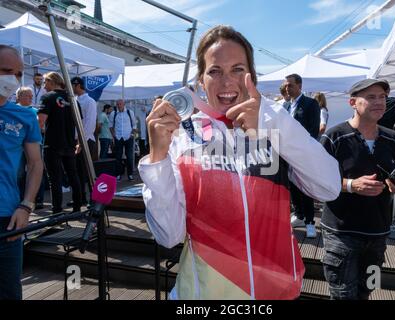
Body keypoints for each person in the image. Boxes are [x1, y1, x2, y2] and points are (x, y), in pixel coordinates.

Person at [138, 25, 341, 300]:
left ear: (252, 77)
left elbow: (329, 186)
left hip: (276, 292)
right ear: (200, 80)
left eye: (237, 69)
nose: (226, 82)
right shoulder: (182, 135)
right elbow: (169, 235)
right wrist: (157, 158)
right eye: (214, 71)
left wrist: (273, 125)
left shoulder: (275, 120)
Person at [320, 79, 395, 300]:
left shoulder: (394, 139)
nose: (379, 102)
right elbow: (318, 181)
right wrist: (351, 185)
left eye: (382, 97)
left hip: (379, 234)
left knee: (368, 289)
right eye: (371, 97)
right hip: (342, 233)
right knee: (342, 295)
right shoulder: (334, 137)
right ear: (352, 102)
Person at [0, 45, 43, 300]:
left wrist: (26, 205)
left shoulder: (25, 116)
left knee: (8, 290)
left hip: (8, 218)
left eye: (18, 74)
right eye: (6, 71)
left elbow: (36, 163)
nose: (12, 79)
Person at [37, 72, 82, 214]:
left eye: (45, 82)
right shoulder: (73, 100)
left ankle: (57, 210)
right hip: (69, 143)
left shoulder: (48, 97)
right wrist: (79, 142)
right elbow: (80, 124)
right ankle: (77, 207)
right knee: (73, 175)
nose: (44, 86)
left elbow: (40, 122)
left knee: (55, 179)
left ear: (51, 81)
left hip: (53, 144)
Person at [284, 74, 321, 238]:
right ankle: (299, 216)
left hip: (303, 153)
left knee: (305, 188)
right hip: (287, 153)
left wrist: (303, 149)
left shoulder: (311, 104)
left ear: (299, 86)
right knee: (292, 187)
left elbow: (313, 130)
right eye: (286, 85)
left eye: (290, 85)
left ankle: (310, 222)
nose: (287, 88)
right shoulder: (285, 105)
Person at [71, 76, 97, 205]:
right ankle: (80, 198)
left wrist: (81, 142)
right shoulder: (73, 100)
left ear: (77, 85)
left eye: (72, 86)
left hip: (86, 141)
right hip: (75, 140)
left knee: (88, 172)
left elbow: (90, 124)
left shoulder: (90, 101)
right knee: (77, 172)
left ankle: (93, 200)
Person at [109, 99, 137, 181]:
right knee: (118, 157)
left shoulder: (129, 112)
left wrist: (132, 134)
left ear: (124, 104)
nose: (119, 105)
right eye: (117, 104)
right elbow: (110, 125)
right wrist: (113, 135)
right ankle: (118, 174)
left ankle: (130, 174)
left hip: (128, 137)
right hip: (118, 137)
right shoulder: (113, 113)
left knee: (129, 156)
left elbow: (134, 125)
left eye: (120, 104)